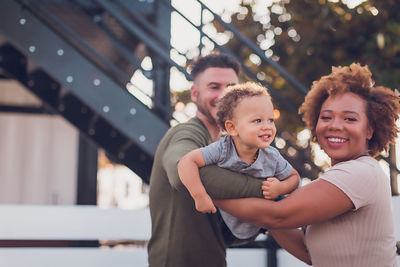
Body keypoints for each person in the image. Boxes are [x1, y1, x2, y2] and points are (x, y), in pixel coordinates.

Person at [215, 63, 399, 267]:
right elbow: (309, 251)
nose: (335, 125)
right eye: (326, 117)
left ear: (369, 130)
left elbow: (280, 215)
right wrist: (268, 210)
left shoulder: (361, 172)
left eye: (349, 118)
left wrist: (210, 190)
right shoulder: (338, 177)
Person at [147, 53, 265, 267]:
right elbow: (180, 172)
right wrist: (267, 189)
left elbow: (222, 232)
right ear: (195, 93)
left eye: (230, 88)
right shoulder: (185, 134)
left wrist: (264, 216)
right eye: (214, 87)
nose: (223, 96)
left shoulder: (228, 148)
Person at [177, 82, 299, 239]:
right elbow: (186, 162)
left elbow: (294, 177)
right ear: (232, 128)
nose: (267, 126)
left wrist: (280, 188)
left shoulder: (271, 156)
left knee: (287, 206)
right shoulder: (222, 149)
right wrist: (199, 196)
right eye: (257, 121)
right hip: (227, 225)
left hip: (265, 219)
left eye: (270, 120)